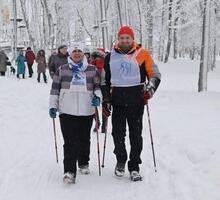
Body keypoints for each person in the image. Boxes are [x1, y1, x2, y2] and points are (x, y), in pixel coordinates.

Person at [101, 26, 161, 181]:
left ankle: (134, 166)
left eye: (128, 38)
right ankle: (121, 160)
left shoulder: (142, 54)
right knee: (117, 134)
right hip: (118, 102)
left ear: (132, 39)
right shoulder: (110, 57)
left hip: (136, 101)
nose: (125, 40)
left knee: (136, 135)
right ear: (118, 39)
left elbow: (155, 74)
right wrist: (106, 99)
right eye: (122, 38)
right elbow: (104, 80)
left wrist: (150, 89)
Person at [49, 45, 102, 184]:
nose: (77, 53)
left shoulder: (92, 69)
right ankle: (69, 171)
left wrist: (97, 96)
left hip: (86, 110)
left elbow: (97, 87)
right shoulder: (62, 70)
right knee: (70, 142)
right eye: (74, 51)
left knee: (84, 139)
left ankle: (83, 162)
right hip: (66, 110)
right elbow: (55, 89)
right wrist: (53, 106)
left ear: (84, 53)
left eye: (79, 51)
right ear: (70, 54)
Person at [90, 48, 107, 133]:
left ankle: (104, 124)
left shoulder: (107, 63)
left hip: (104, 85)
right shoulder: (91, 64)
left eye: (100, 56)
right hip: (94, 85)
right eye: (96, 56)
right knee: (94, 105)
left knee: (105, 105)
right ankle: (97, 122)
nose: (98, 58)